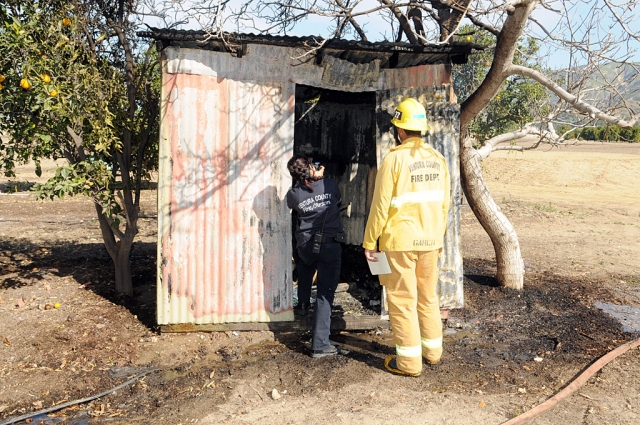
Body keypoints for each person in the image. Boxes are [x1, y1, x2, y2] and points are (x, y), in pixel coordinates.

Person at [362, 98, 451, 377]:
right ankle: (433, 354)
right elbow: (445, 205)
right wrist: (437, 237)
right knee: (427, 298)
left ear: (400, 131)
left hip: (400, 243)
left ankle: (410, 364)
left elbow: (380, 206)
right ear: (420, 129)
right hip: (430, 242)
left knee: (402, 301)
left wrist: (369, 242)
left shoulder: (394, 158)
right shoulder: (438, 159)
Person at [286, 154, 344, 358]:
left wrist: (308, 182)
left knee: (305, 266)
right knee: (325, 292)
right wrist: (319, 180)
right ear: (311, 168)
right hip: (328, 244)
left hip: (306, 244)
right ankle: (320, 344)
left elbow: (293, 205)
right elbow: (337, 199)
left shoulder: (293, 194)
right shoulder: (329, 184)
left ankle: (302, 305)